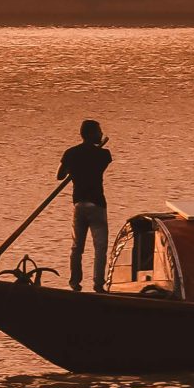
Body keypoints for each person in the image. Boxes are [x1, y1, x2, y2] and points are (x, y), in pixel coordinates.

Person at [57, 117, 113, 292]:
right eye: (99, 131)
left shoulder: (70, 153)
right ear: (91, 134)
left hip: (79, 205)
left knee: (77, 247)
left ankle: (75, 283)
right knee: (100, 247)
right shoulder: (104, 154)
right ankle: (98, 284)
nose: (101, 134)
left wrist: (73, 168)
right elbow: (98, 163)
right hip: (97, 206)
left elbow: (60, 176)